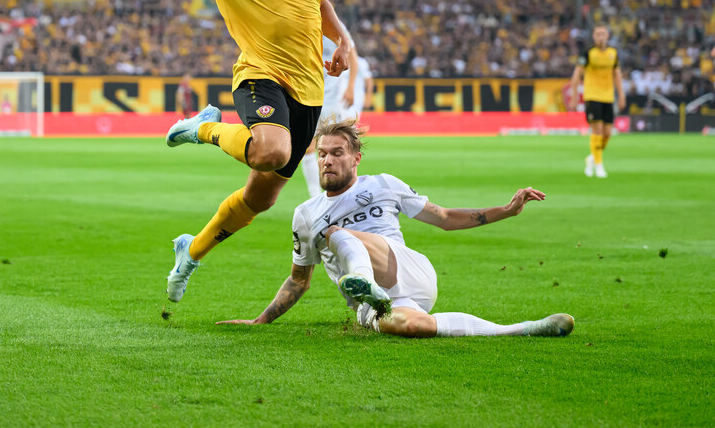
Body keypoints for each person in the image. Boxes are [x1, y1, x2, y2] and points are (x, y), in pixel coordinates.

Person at [86, 0, 354, 303]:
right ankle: (204, 128)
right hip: (259, 75)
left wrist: (341, 38)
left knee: (260, 198)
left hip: (310, 91)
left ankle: (190, 251)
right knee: (272, 151)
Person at [218, 119, 575, 338]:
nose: (327, 159)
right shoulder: (305, 213)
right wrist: (260, 320)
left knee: (337, 233)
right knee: (413, 327)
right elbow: (299, 279)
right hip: (381, 303)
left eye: (337, 152)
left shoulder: (384, 185)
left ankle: (364, 282)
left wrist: (507, 211)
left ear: (356, 158)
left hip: (405, 266)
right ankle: (527, 328)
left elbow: (445, 218)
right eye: (322, 153)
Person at [300, 36, 359, 197]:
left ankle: (348, 189)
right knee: (308, 147)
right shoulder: (305, 22)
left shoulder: (335, 27)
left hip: (332, 100)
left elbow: (353, 57)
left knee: (339, 144)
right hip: (307, 96)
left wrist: (351, 87)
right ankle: (315, 195)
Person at [570, 25, 626, 178]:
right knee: (598, 130)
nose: (601, 36)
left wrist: (621, 95)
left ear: (608, 36)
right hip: (592, 95)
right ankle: (599, 166)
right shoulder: (588, 53)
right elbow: (577, 75)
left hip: (608, 97)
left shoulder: (613, 54)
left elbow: (617, 75)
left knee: (607, 133)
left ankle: (592, 158)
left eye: (603, 34)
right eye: (598, 34)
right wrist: (574, 96)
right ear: (594, 36)